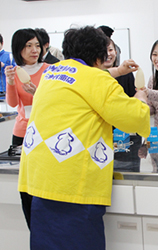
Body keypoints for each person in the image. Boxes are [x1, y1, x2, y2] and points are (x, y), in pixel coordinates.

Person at [18, 25, 150, 249]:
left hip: (37, 179)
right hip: (70, 184)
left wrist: (117, 71)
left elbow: (84, 80)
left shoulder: (52, 73)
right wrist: (141, 98)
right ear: (99, 57)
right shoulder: (97, 80)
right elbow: (134, 119)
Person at [3, 29, 49, 156]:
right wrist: (10, 81)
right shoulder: (14, 72)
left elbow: (57, 102)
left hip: (46, 129)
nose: (35, 50)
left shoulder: (50, 70)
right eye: (29, 46)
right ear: (18, 48)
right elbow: (13, 104)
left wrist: (37, 93)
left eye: (37, 45)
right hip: (22, 131)